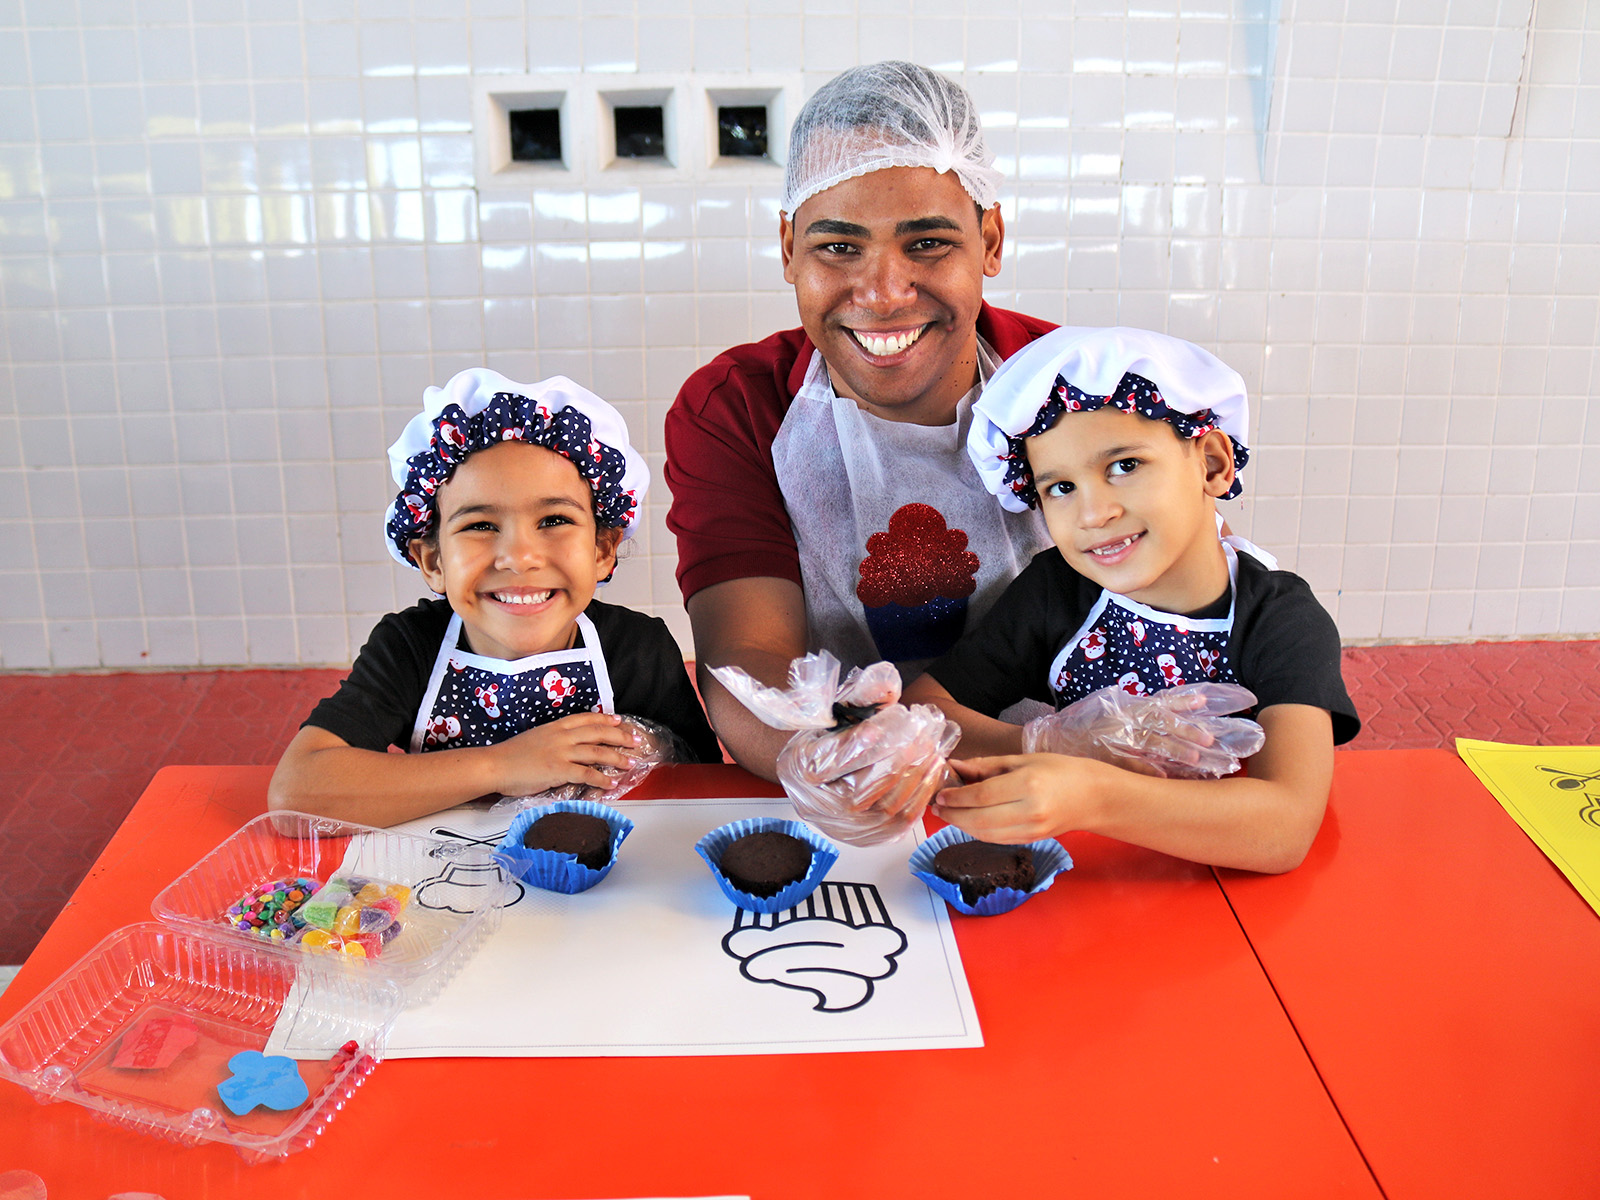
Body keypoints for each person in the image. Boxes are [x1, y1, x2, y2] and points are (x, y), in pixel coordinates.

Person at [664, 61, 1057, 781]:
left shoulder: (1072, 385)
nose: (882, 295)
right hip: (833, 777)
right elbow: (747, 660)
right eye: (838, 248)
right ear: (789, 248)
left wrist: (1075, 759)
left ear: (990, 241)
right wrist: (835, 761)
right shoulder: (738, 405)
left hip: (1067, 782)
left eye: (928, 243)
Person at [903, 326, 1360, 873]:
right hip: (1087, 880)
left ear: (1211, 463)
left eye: (1124, 466)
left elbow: (1283, 828)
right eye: (1061, 488)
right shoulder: (1057, 592)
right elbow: (922, 714)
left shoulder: (1282, 620)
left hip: (1233, 895)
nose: (1093, 514)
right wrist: (1049, 743)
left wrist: (1093, 792)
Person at [270, 368, 720, 827]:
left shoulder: (638, 648)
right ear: (433, 562)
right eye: (480, 526)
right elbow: (296, 794)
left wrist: (648, 752)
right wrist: (504, 766)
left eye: (554, 520)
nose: (519, 557)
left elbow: (710, 791)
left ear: (603, 551)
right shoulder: (409, 648)